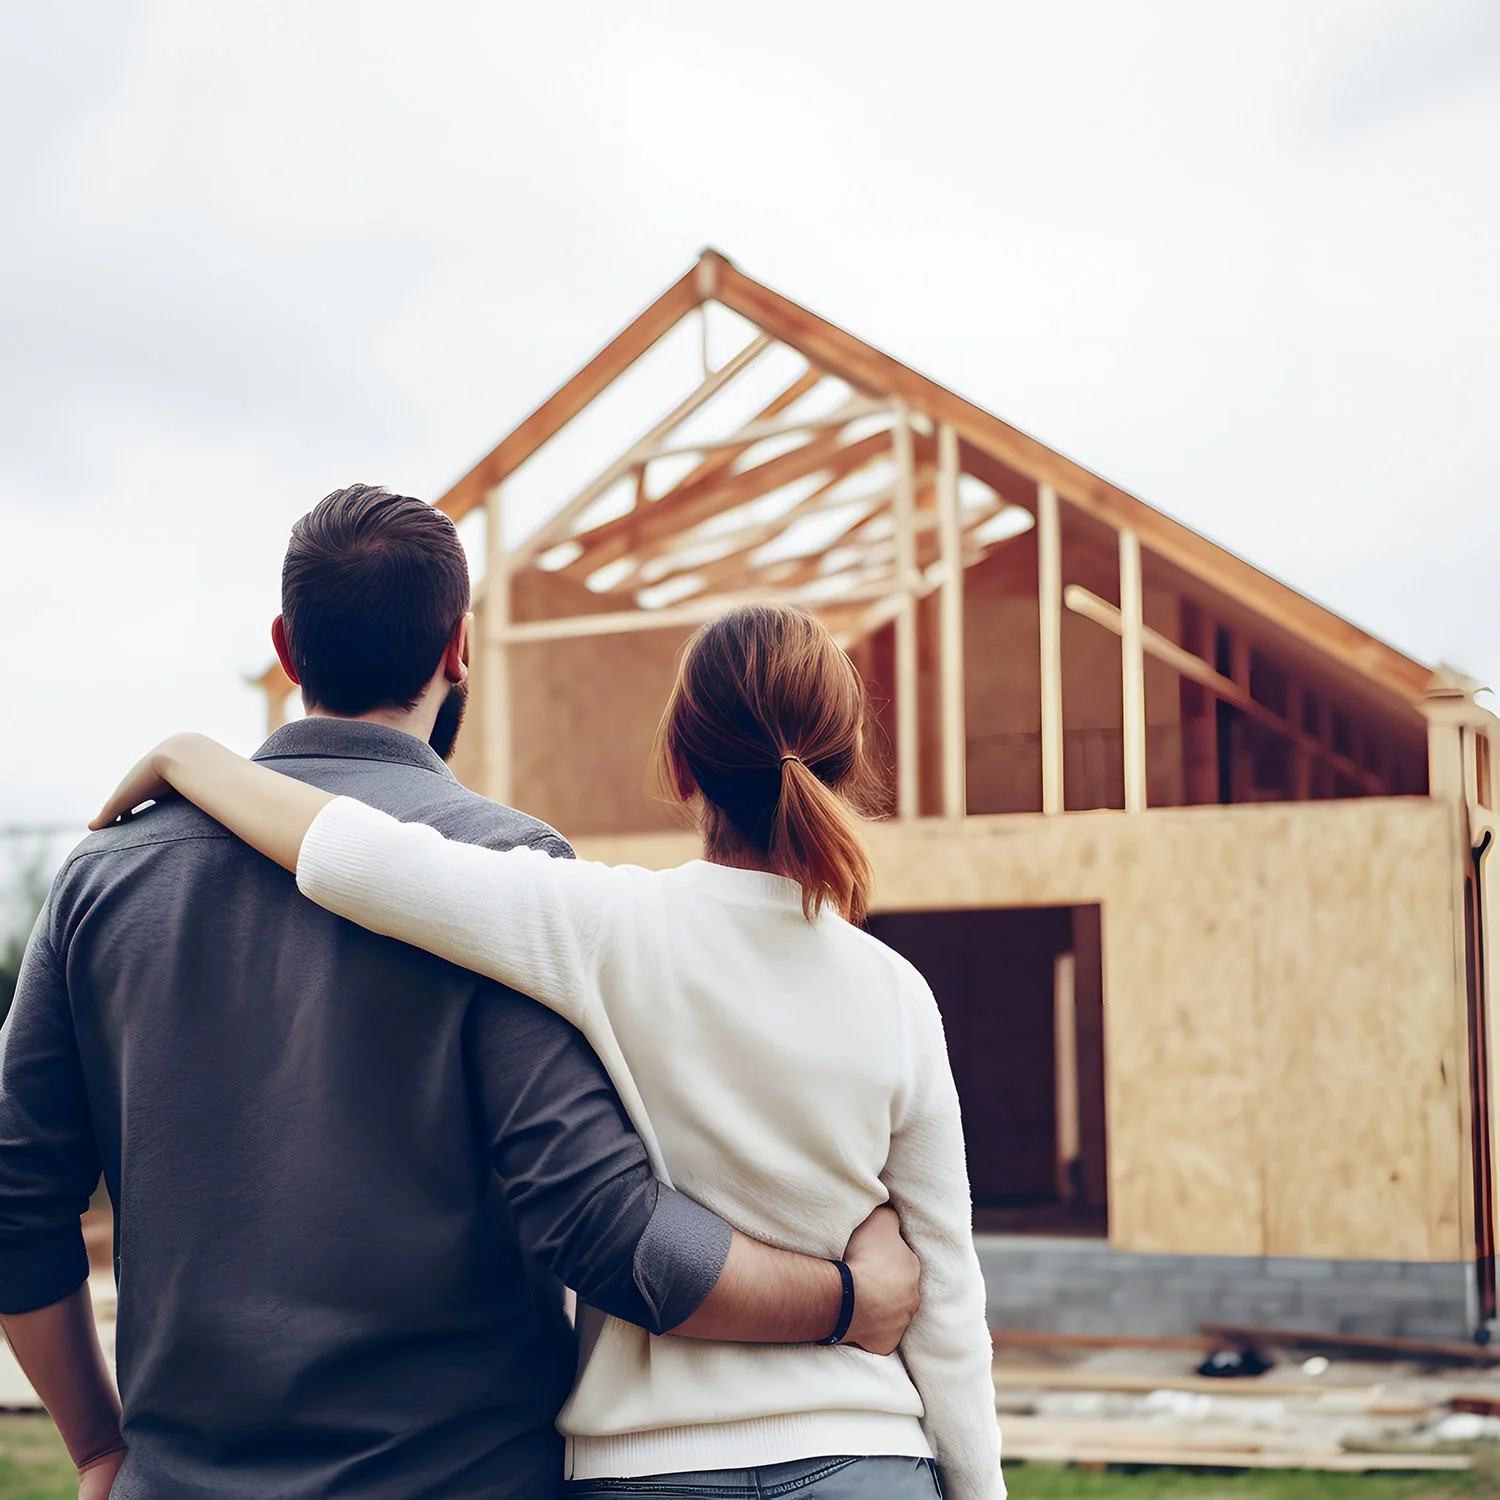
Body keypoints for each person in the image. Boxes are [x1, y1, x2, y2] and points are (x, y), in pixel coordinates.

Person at [0, 487, 921, 1500]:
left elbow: (14, 1203)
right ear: (458, 646)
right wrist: (846, 1300)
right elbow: (602, 1224)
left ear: (286, 648)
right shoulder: (510, 874)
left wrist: (98, 1446)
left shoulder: (104, 879)